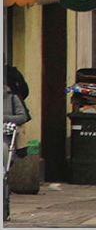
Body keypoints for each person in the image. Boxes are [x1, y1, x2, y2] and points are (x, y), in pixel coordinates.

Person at [4, 82, 29, 221]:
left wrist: (5, 119)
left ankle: (4, 205)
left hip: (5, 141)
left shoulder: (11, 98)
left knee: (4, 173)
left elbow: (22, 116)